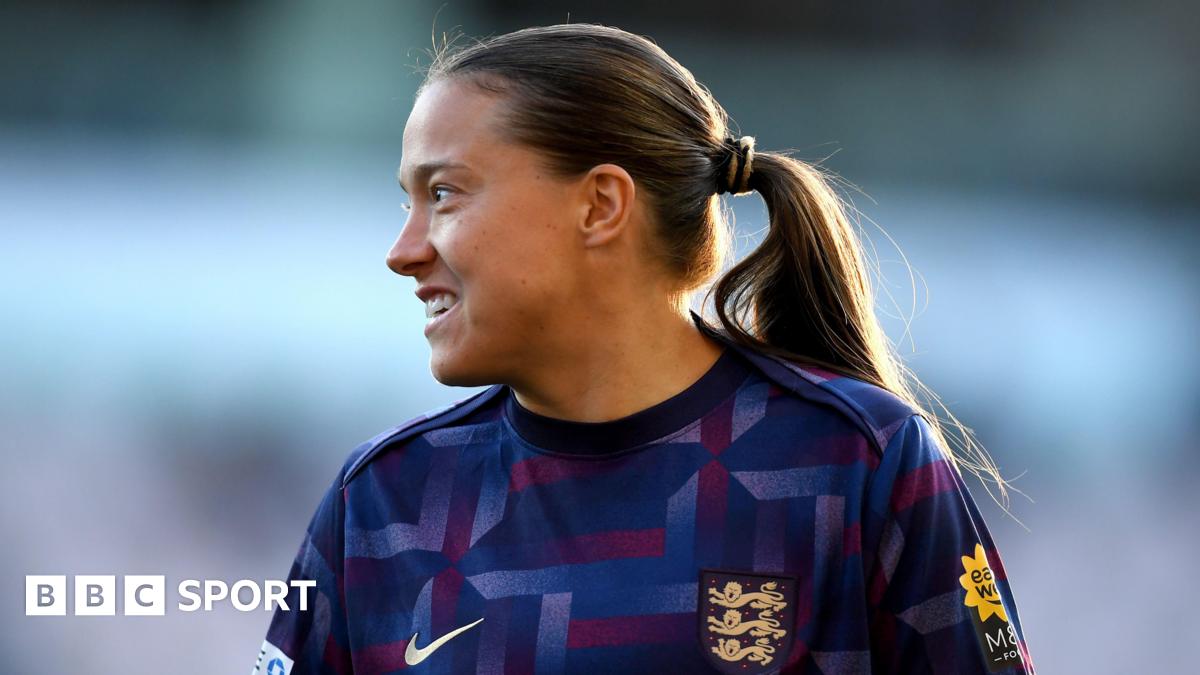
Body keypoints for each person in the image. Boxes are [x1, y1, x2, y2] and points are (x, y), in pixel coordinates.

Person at [253, 23, 1035, 675]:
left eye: (445, 194)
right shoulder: (382, 505)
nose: (403, 249)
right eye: (408, 201)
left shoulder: (860, 464)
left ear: (600, 205)